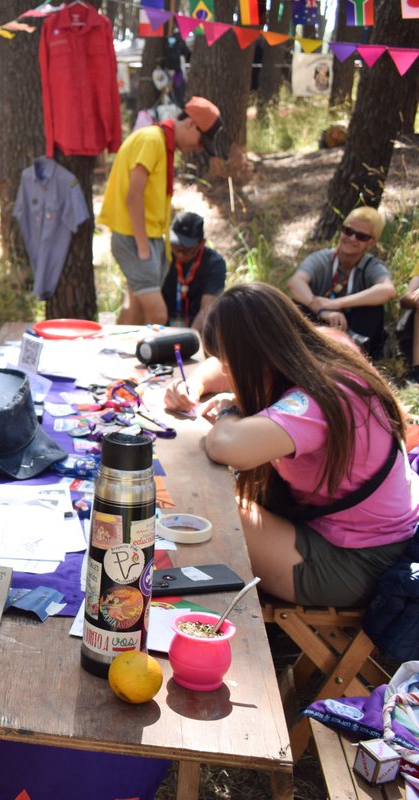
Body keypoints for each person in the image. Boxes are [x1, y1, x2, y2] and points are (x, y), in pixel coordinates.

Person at [171, 283, 416, 608]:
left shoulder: (314, 402)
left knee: (201, 503)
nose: (227, 371)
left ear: (257, 355)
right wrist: (195, 383)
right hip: (361, 534)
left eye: (231, 363)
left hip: (358, 561)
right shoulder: (321, 347)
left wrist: (231, 408)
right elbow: (223, 365)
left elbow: (226, 446)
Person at [98, 96, 224, 325]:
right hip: (134, 237)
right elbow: (134, 195)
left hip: (150, 237)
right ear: (190, 124)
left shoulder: (163, 145)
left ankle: (120, 356)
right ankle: (152, 359)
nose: (196, 148)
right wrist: (143, 246)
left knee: (133, 312)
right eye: (200, 141)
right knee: (157, 315)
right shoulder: (152, 140)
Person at [287, 206, 393, 358]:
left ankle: (358, 354)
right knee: (298, 305)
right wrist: (323, 311)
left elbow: (387, 290)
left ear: (371, 243)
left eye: (361, 236)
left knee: (374, 309)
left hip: (353, 328)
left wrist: (337, 304)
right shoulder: (322, 259)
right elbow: (295, 283)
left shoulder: (371, 266)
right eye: (348, 231)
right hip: (321, 323)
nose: (352, 238)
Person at [161, 211, 226, 331]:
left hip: (197, 326)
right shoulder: (162, 255)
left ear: (202, 243)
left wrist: (191, 338)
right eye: (175, 247)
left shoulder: (214, 263)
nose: (179, 254)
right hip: (162, 325)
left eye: (186, 249)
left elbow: (207, 308)